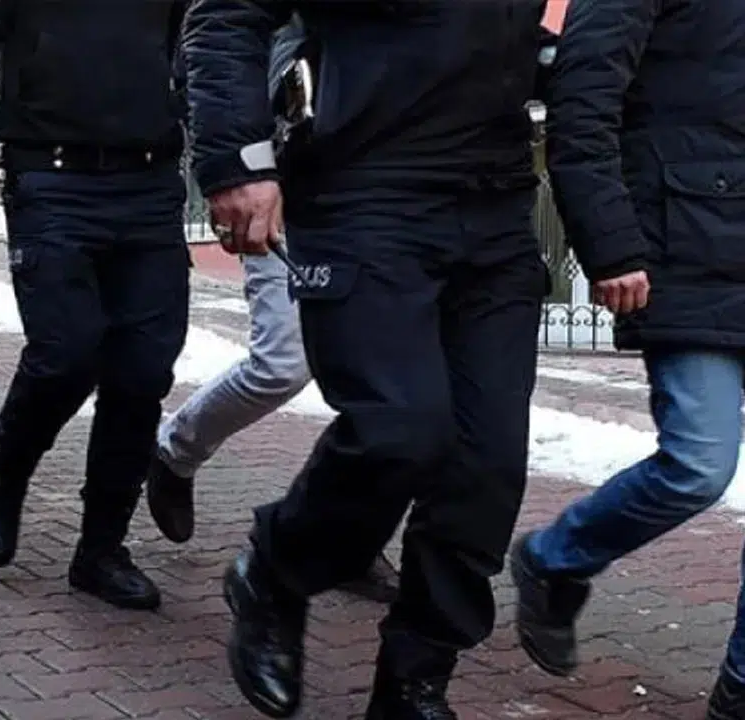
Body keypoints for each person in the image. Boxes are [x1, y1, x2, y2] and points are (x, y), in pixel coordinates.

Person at [182, 1, 556, 717]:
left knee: (486, 464)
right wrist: (236, 161)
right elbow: (227, 15)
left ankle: (416, 677)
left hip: (494, 203)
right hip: (365, 191)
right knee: (400, 429)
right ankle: (275, 571)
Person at [509, 1, 745, 717]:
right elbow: (582, 106)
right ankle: (554, 559)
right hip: (687, 246)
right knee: (699, 463)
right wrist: (610, 244)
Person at [0, 0, 191, 611]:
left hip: (150, 181)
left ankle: (101, 549)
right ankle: (7, 469)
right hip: (51, 176)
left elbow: (208, 40)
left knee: (142, 373)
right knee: (67, 353)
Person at [147, 14, 400, 606]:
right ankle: (174, 450)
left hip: (387, 195)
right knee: (283, 362)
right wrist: (240, 164)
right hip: (283, 183)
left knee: (395, 385)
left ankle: (352, 535)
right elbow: (216, 48)